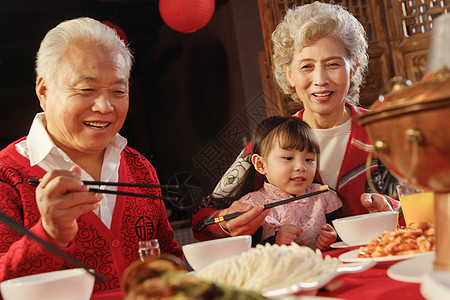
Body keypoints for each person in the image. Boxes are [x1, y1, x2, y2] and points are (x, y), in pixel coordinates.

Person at [0, 17, 181, 297]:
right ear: (44, 91)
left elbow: (170, 261)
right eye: (87, 90)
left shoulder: (138, 167)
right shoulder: (7, 173)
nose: (105, 106)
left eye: (118, 91)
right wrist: (49, 233)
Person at [192, 2, 400, 241]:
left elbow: (427, 203)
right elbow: (202, 221)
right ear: (289, 74)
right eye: (306, 67)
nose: (320, 79)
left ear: (353, 67)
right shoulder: (273, 142)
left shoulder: (385, 132)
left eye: (333, 64)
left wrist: (395, 212)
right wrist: (227, 223)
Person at [234, 116, 342, 249]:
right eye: (288, 158)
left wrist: (332, 237)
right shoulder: (251, 205)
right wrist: (275, 242)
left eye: (309, 159)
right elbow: (247, 253)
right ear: (261, 164)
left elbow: (341, 235)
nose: (301, 167)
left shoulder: (323, 195)